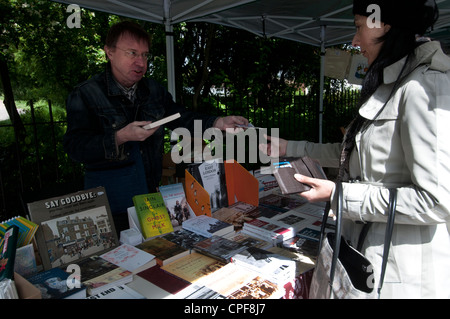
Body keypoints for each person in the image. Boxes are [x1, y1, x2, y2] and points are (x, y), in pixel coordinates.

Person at [260, 0, 450, 298]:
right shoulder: (394, 81)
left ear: (384, 24)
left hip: (403, 273)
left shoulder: (425, 86)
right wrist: (289, 147)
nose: (354, 40)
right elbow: (355, 151)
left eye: (359, 27)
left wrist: (339, 195)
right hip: (367, 256)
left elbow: (437, 201)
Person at [63, 21, 248, 233]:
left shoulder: (153, 90)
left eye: (145, 55)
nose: (140, 62)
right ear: (109, 52)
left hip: (151, 197)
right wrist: (120, 137)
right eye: (132, 53)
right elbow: (75, 148)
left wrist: (217, 122)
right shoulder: (86, 94)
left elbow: (181, 117)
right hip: (110, 205)